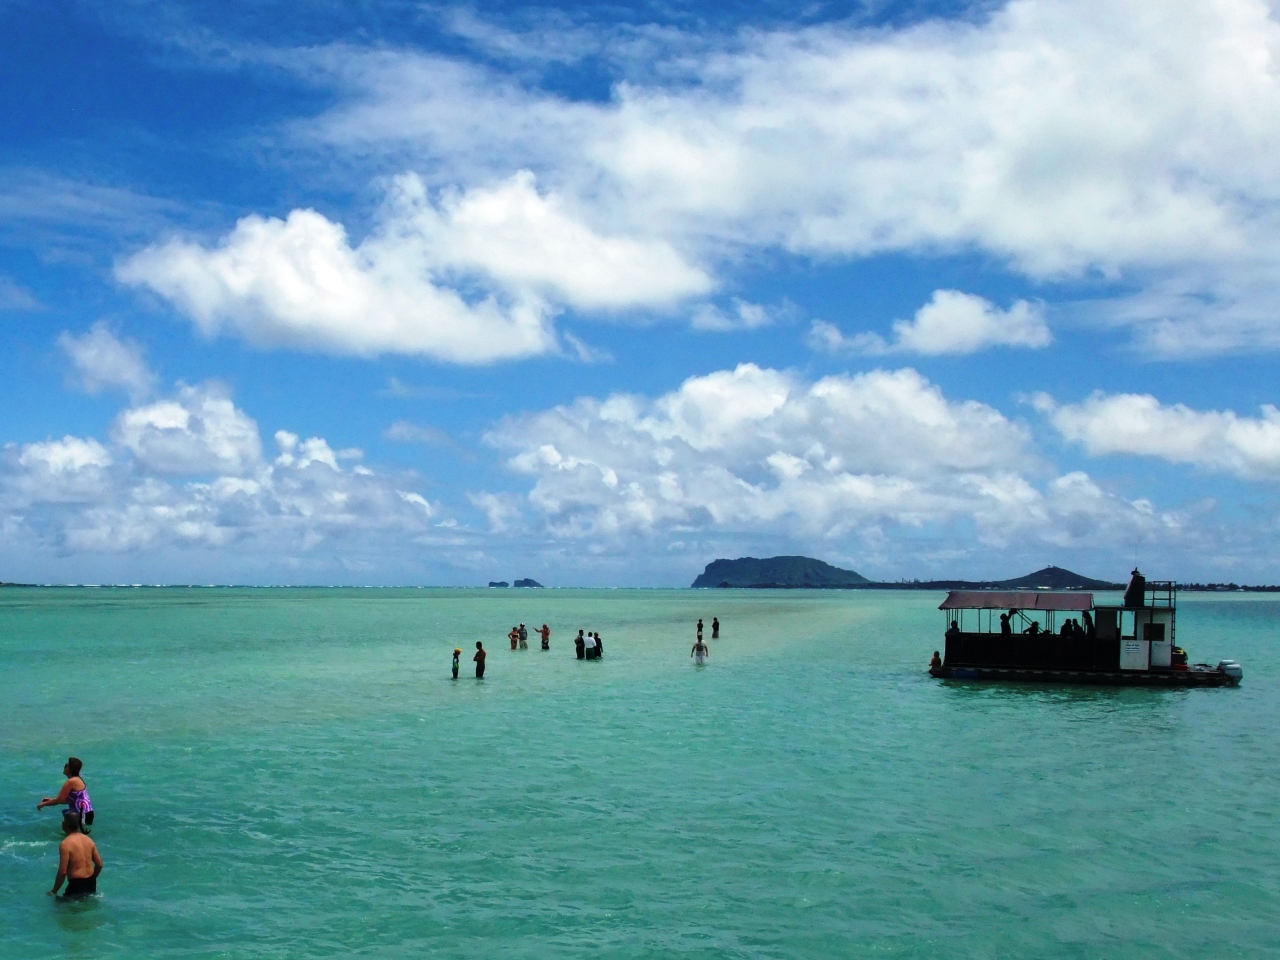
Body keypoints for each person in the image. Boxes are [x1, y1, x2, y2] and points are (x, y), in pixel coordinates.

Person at [49, 812, 102, 898]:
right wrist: (90, 880)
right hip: (91, 883)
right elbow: (99, 865)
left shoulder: (66, 844)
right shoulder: (89, 840)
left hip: (76, 885)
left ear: (64, 824)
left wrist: (54, 891)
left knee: (60, 908)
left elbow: (62, 872)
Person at [37, 757, 94, 830]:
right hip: (86, 812)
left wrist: (42, 805)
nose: (64, 767)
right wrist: (51, 800)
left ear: (70, 769)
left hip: (81, 814)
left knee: (73, 835)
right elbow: (71, 799)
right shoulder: (77, 779)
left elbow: (59, 800)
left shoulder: (71, 782)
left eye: (66, 766)